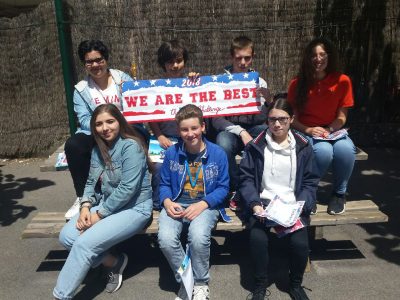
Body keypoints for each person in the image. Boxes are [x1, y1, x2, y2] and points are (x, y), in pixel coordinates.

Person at [53, 104, 153, 299]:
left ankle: (61, 296)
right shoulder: (99, 149)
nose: (105, 128)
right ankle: (113, 262)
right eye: (99, 124)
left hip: (135, 208)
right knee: (67, 237)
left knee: (84, 245)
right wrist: (85, 207)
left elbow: (128, 189)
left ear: (120, 122)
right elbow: (90, 181)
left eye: (110, 121)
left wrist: (99, 214)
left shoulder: (131, 146)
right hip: (107, 205)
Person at [239, 98, 319, 300]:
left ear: (292, 119)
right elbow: (246, 179)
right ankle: (259, 285)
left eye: (282, 119)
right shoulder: (256, 146)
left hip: (294, 205)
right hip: (264, 205)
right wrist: (255, 204)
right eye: (272, 119)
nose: (277, 124)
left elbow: (310, 182)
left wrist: (302, 205)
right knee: (258, 239)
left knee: (300, 244)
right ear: (267, 121)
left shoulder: (303, 146)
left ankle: (295, 285)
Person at [64, 39, 148, 219]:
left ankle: (139, 188)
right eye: (89, 61)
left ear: (106, 59)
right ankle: (83, 197)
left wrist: (117, 124)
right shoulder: (80, 89)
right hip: (97, 132)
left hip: (127, 127)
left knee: (139, 137)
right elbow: (84, 119)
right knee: (74, 145)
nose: (95, 65)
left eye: (99, 59)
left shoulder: (122, 79)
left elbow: (136, 107)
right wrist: (101, 126)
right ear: (84, 64)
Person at [157, 104, 229, 300]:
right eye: (184, 129)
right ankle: (186, 280)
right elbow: (163, 183)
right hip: (177, 203)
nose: (190, 134)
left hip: (205, 205)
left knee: (197, 237)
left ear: (203, 127)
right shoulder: (172, 153)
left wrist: (203, 204)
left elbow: (223, 188)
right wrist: (166, 201)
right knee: (165, 239)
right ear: (178, 131)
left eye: (194, 128)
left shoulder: (217, 153)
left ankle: (200, 283)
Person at [287, 37, 356, 215]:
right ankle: (310, 192)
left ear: (329, 56)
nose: (318, 59)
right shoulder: (297, 83)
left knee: (346, 150)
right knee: (323, 151)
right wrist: (309, 130)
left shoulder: (343, 81)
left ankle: (339, 194)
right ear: (307, 58)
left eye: (322, 54)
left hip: (332, 129)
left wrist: (330, 130)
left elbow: (342, 116)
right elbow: (291, 118)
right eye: (313, 55)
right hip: (306, 129)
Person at [211, 35, 271, 211]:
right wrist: (240, 131)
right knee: (222, 143)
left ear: (252, 57)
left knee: (267, 136)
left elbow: (263, 118)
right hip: (230, 129)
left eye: (247, 58)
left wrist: (268, 102)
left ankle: (262, 185)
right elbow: (216, 118)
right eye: (239, 58)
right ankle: (237, 187)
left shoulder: (259, 82)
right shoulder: (220, 82)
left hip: (253, 127)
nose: (243, 62)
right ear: (231, 57)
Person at [149, 39, 197, 210]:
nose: (175, 65)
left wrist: (196, 82)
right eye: (170, 62)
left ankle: (192, 201)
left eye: (179, 61)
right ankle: (158, 206)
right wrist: (159, 135)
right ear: (163, 64)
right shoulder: (156, 87)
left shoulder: (192, 83)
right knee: (160, 168)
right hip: (164, 138)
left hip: (190, 138)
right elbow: (150, 116)